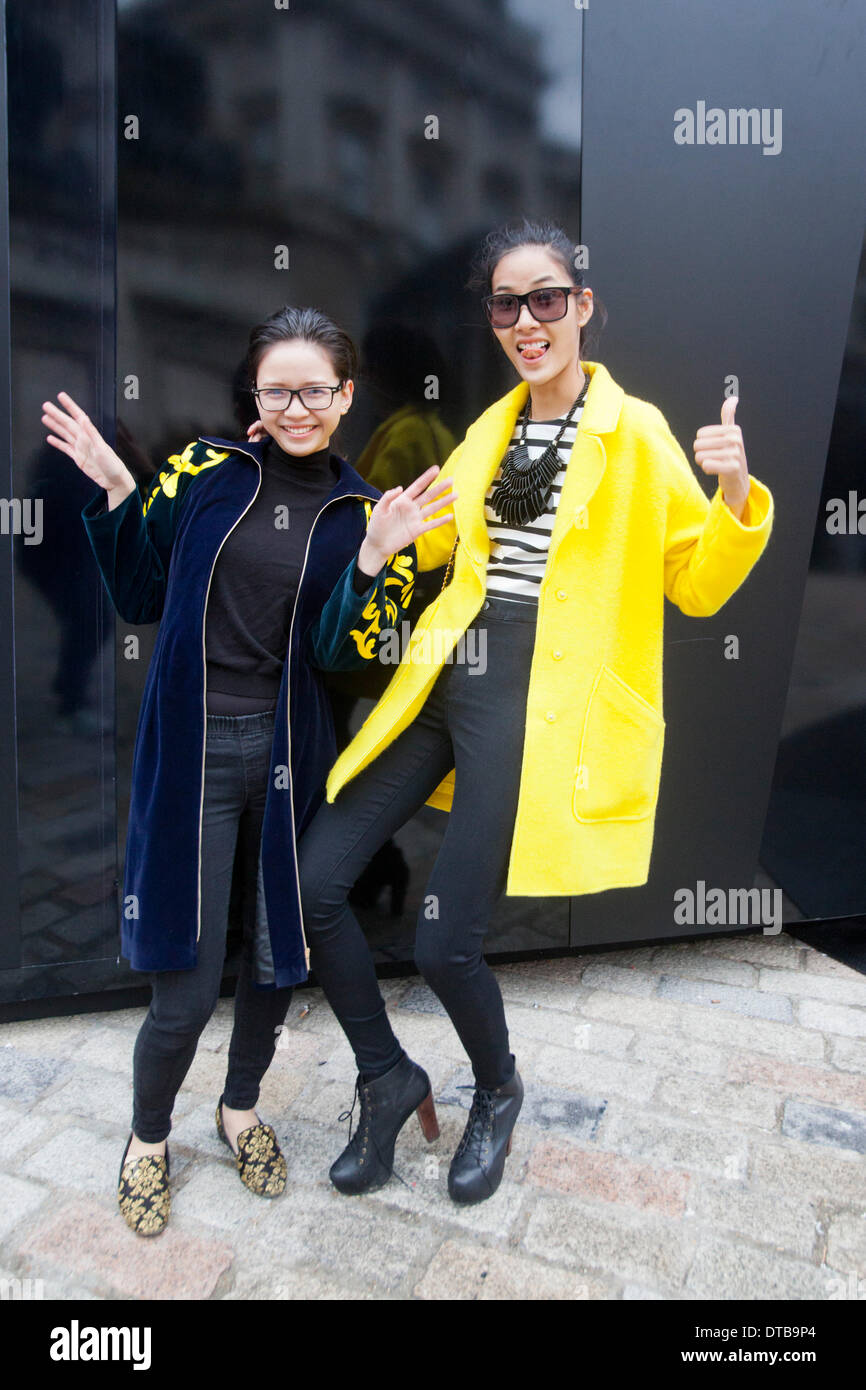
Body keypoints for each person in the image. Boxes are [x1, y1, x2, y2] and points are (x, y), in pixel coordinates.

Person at [295, 217, 775, 1206]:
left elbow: (693, 582)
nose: (526, 321)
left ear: (581, 306)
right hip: (448, 672)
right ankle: (387, 1080)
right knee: (314, 886)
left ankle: (499, 1091)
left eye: (545, 298)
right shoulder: (491, 427)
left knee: (441, 941)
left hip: (537, 699)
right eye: (506, 304)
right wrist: (382, 536)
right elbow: (437, 547)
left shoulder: (632, 429)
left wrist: (732, 492)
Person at [40, 304, 456, 1236]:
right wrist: (116, 490)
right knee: (183, 982)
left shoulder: (361, 511)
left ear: (346, 396)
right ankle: (149, 1140)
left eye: (317, 390)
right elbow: (143, 595)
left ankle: (239, 1111)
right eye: (280, 389)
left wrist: (379, 559)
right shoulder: (206, 470)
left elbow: (347, 656)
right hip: (189, 754)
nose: (298, 406)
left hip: (284, 760)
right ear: (257, 396)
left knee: (273, 961)